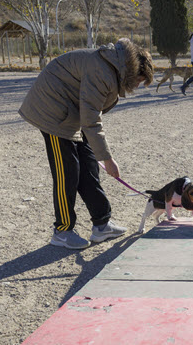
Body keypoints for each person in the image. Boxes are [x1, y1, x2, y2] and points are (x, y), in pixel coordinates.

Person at [19, 38, 154, 249]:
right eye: (140, 80)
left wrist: (100, 157)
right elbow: (91, 119)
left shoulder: (113, 68)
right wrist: (108, 159)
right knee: (67, 172)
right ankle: (62, 231)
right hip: (51, 110)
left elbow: (90, 114)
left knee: (89, 165)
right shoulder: (103, 72)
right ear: (133, 70)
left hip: (72, 110)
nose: (137, 86)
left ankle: (102, 224)